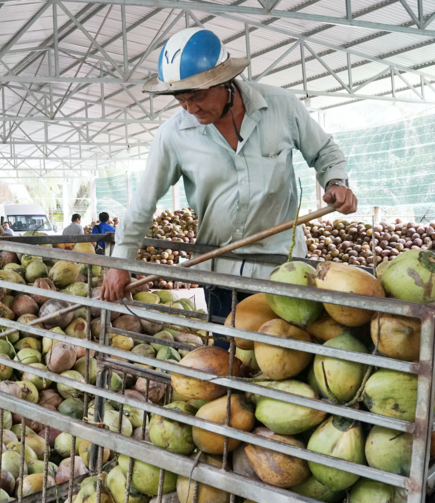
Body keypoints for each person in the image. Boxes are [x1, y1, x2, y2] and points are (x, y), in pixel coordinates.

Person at [100, 28, 357, 337]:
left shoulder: (282, 107)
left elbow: (325, 152)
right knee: (229, 358)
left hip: (282, 269)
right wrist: (120, 262)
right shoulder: (174, 135)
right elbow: (142, 204)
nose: (191, 109)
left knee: (285, 357)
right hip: (220, 272)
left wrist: (336, 182)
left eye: (197, 96)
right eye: (181, 100)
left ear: (225, 81)